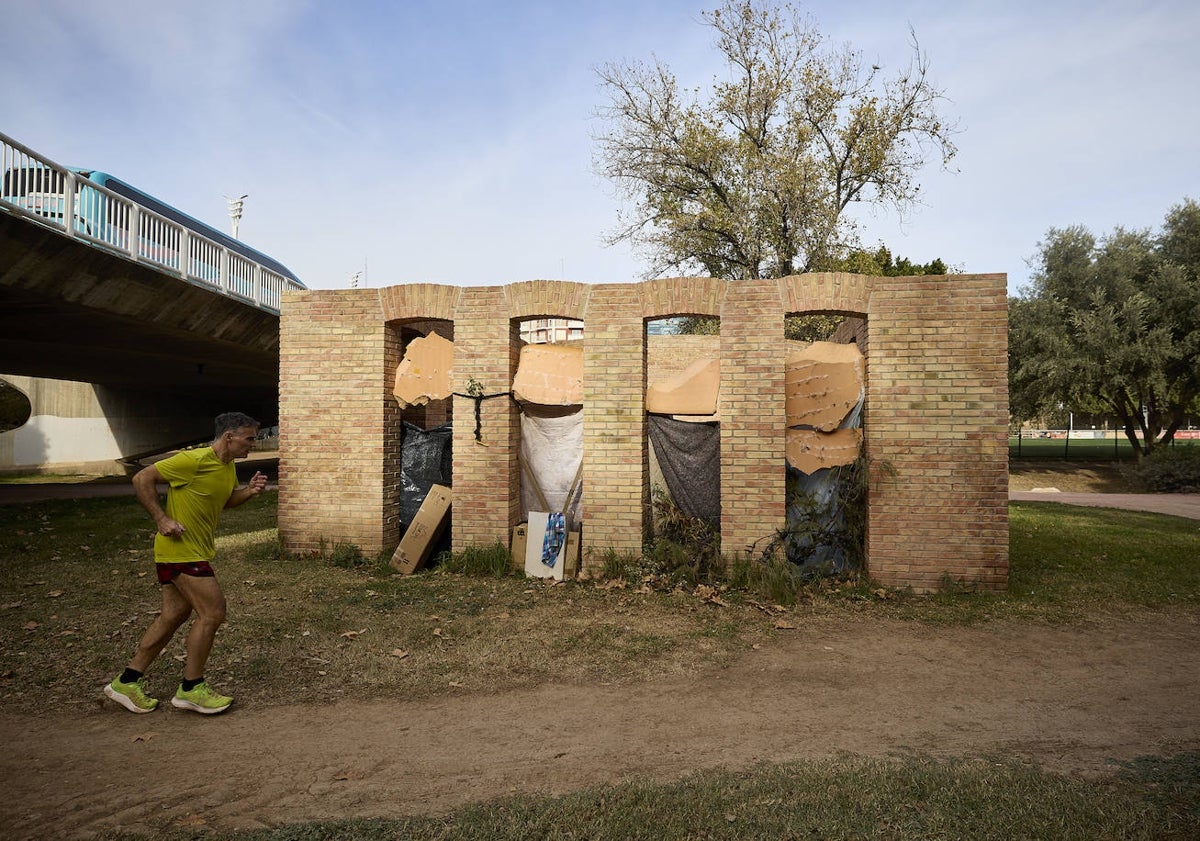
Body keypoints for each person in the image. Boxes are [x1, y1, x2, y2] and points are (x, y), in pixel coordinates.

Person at [103, 412, 269, 715]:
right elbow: (142, 477)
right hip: (180, 551)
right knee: (213, 612)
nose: (253, 444)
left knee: (172, 617)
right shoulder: (193, 460)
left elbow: (226, 500)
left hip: (193, 551)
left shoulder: (227, 465)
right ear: (229, 437)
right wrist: (161, 518)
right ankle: (192, 688)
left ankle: (126, 682)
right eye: (249, 438)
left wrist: (248, 492)